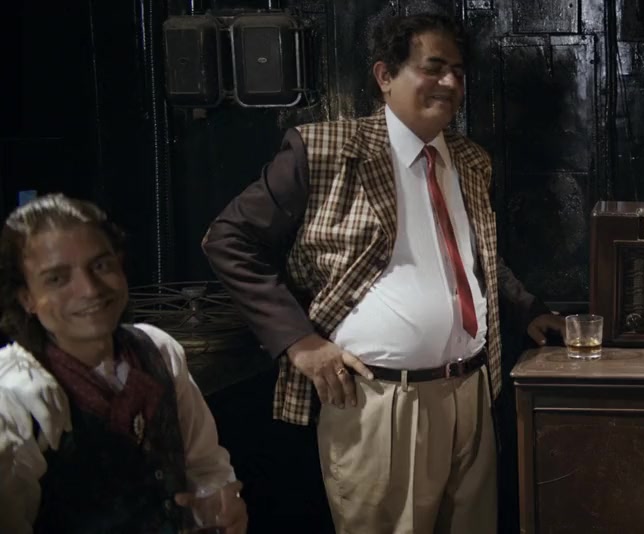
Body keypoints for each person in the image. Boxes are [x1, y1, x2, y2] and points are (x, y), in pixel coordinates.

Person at [201, 12, 563, 534]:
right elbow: (227, 240)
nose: (450, 83)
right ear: (385, 75)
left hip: (471, 392)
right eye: (432, 67)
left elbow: (476, 255)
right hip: (379, 404)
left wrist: (527, 309)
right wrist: (299, 342)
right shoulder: (326, 149)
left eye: (458, 72)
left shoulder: (469, 159)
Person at [0, 194, 247, 533]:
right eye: (57, 278)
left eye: (101, 265)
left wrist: (218, 505)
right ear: (26, 298)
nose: (89, 289)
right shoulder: (18, 397)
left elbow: (205, 465)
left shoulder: (158, 350)